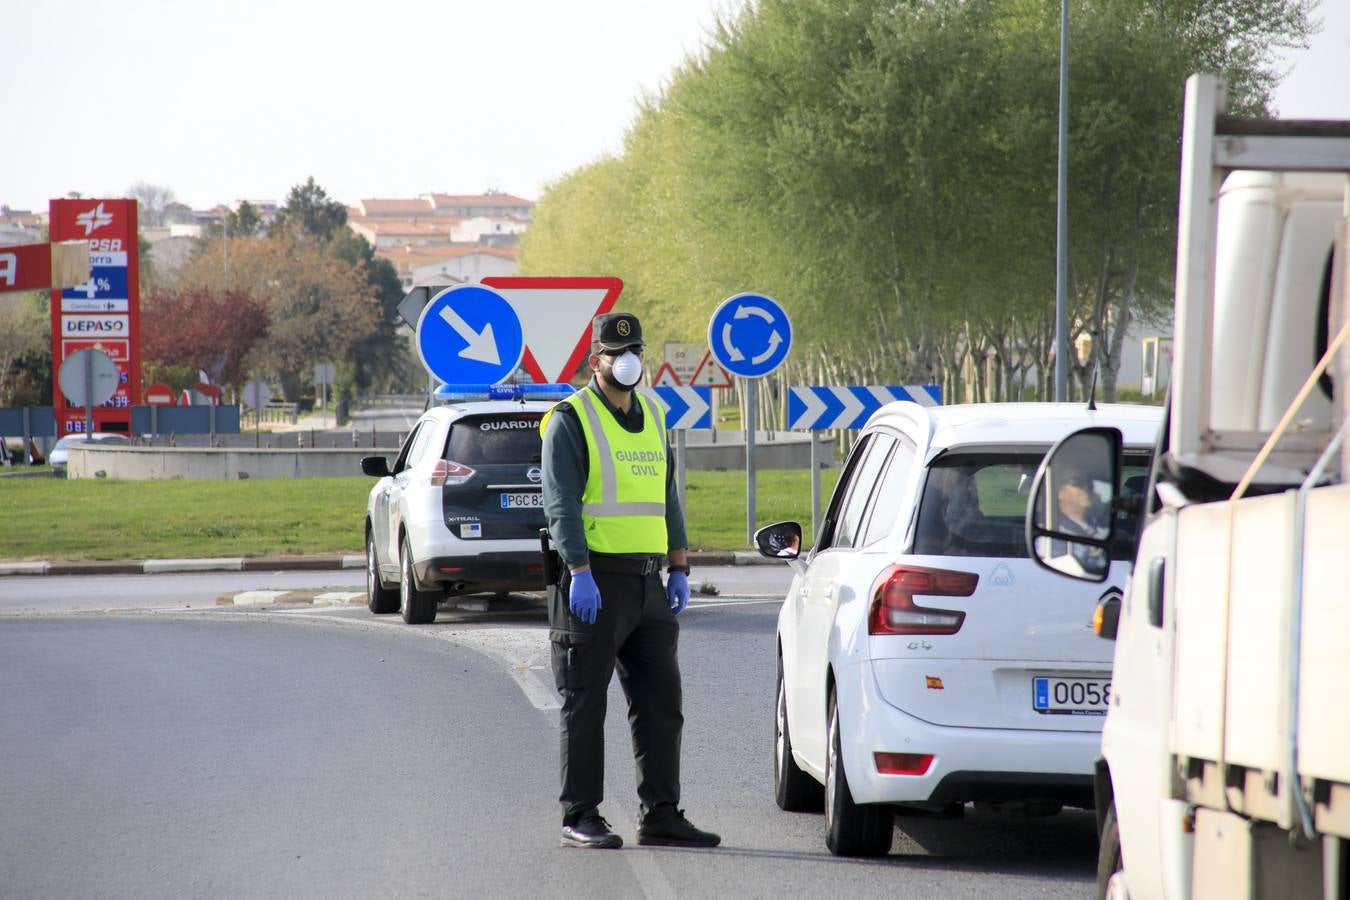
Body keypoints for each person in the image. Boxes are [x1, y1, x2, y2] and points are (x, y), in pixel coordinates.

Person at [539, 311, 721, 851]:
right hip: (593, 584)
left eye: (635, 350)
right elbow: (560, 502)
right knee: (585, 701)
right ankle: (580, 814)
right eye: (616, 352)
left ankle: (661, 813)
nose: (628, 360)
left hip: (648, 585)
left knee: (662, 702)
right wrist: (577, 571)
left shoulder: (654, 413)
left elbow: (666, 495)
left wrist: (680, 565)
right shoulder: (571, 418)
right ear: (594, 360)